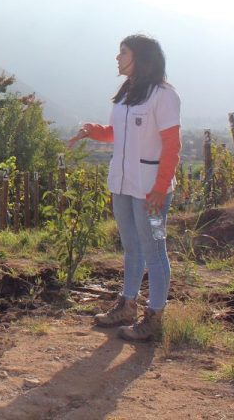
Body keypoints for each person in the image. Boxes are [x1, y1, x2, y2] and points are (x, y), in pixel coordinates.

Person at [68, 34, 181, 342]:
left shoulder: (163, 95)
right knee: (131, 247)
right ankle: (127, 305)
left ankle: (154, 316)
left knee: (155, 250)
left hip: (151, 190)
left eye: (123, 52)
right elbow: (117, 133)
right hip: (122, 184)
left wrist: (160, 188)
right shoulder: (127, 93)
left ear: (141, 57)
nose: (117, 58)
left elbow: (172, 145)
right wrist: (90, 131)